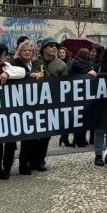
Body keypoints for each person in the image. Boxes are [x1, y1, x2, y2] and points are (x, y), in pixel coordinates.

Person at [0, 43, 25, 179]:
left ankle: (7, 167)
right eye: (4, 54)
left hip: (8, 111)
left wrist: (7, 73)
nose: (6, 56)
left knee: (10, 141)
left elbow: (22, 72)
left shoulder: (7, 67)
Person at [29, 39, 69, 170]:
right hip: (34, 103)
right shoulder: (34, 62)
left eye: (55, 46)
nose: (54, 48)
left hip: (51, 104)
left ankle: (40, 160)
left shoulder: (62, 65)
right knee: (33, 134)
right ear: (44, 48)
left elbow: (64, 85)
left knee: (46, 135)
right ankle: (31, 160)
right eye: (51, 46)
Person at [11, 40, 41, 176]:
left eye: (30, 50)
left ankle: (31, 162)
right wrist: (29, 75)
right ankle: (21, 165)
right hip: (19, 104)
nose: (27, 52)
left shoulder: (37, 64)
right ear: (20, 51)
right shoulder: (14, 63)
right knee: (23, 136)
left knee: (32, 137)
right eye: (25, 50)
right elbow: (15, 75)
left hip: (34, 104)